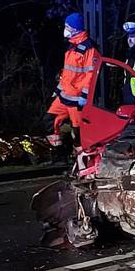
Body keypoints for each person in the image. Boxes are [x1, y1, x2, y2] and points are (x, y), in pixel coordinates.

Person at [46, 12, 100, 160]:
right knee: (49, 121)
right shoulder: (72, 47)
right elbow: (67, 73)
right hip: (65, 96)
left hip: (77, 100)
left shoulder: (89, 49)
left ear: (76, 29)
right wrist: (58, 90)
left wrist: (84, 95)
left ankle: (84, 162)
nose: (65, 29)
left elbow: (90, 75)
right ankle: (59, 154)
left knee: (79, 134)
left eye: (68, 26)